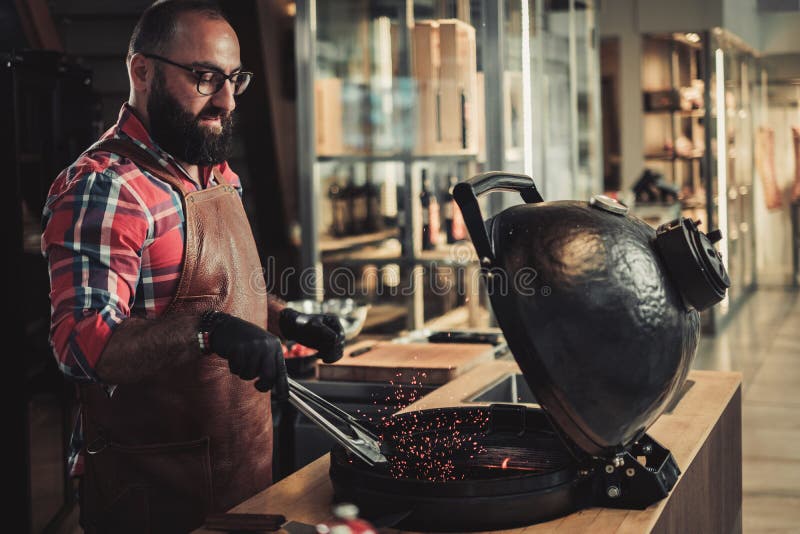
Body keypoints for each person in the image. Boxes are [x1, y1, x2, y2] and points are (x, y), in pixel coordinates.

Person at [40, 1, 345, 532]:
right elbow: (81, 346)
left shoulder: (216, 175)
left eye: (234, 80)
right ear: (142, 70)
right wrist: (206, 331)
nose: (226, 101)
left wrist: (285, 320)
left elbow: (221, 299)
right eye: (205, 79)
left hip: (246, 486)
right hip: (155, 502)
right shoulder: (107, 187)